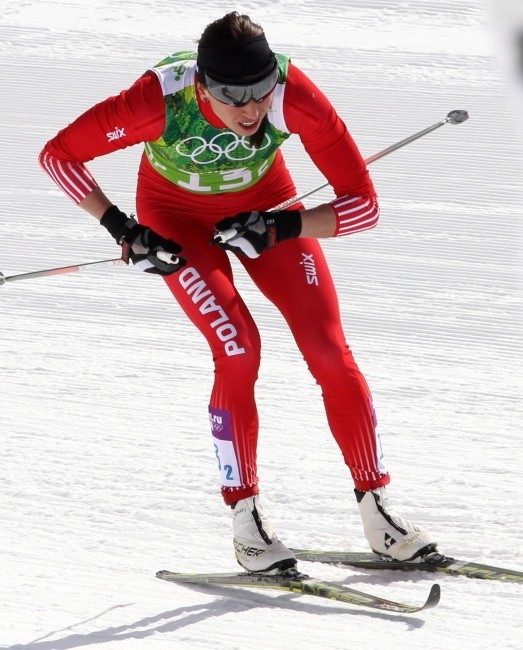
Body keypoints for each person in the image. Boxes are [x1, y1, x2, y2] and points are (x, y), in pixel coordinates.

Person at [39, 11, 438, 574]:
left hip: (267, 208)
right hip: (174, 219)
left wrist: (282, 227)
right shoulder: (158, 100)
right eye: (235, 99)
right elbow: (58, 155)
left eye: (261, 93)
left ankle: (378, 511)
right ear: (204, 86)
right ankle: (247, 522)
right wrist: (124, 230)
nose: (253, 111)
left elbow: (364, 206)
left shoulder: (295, 96)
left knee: (328, 350)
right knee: (239, 349)